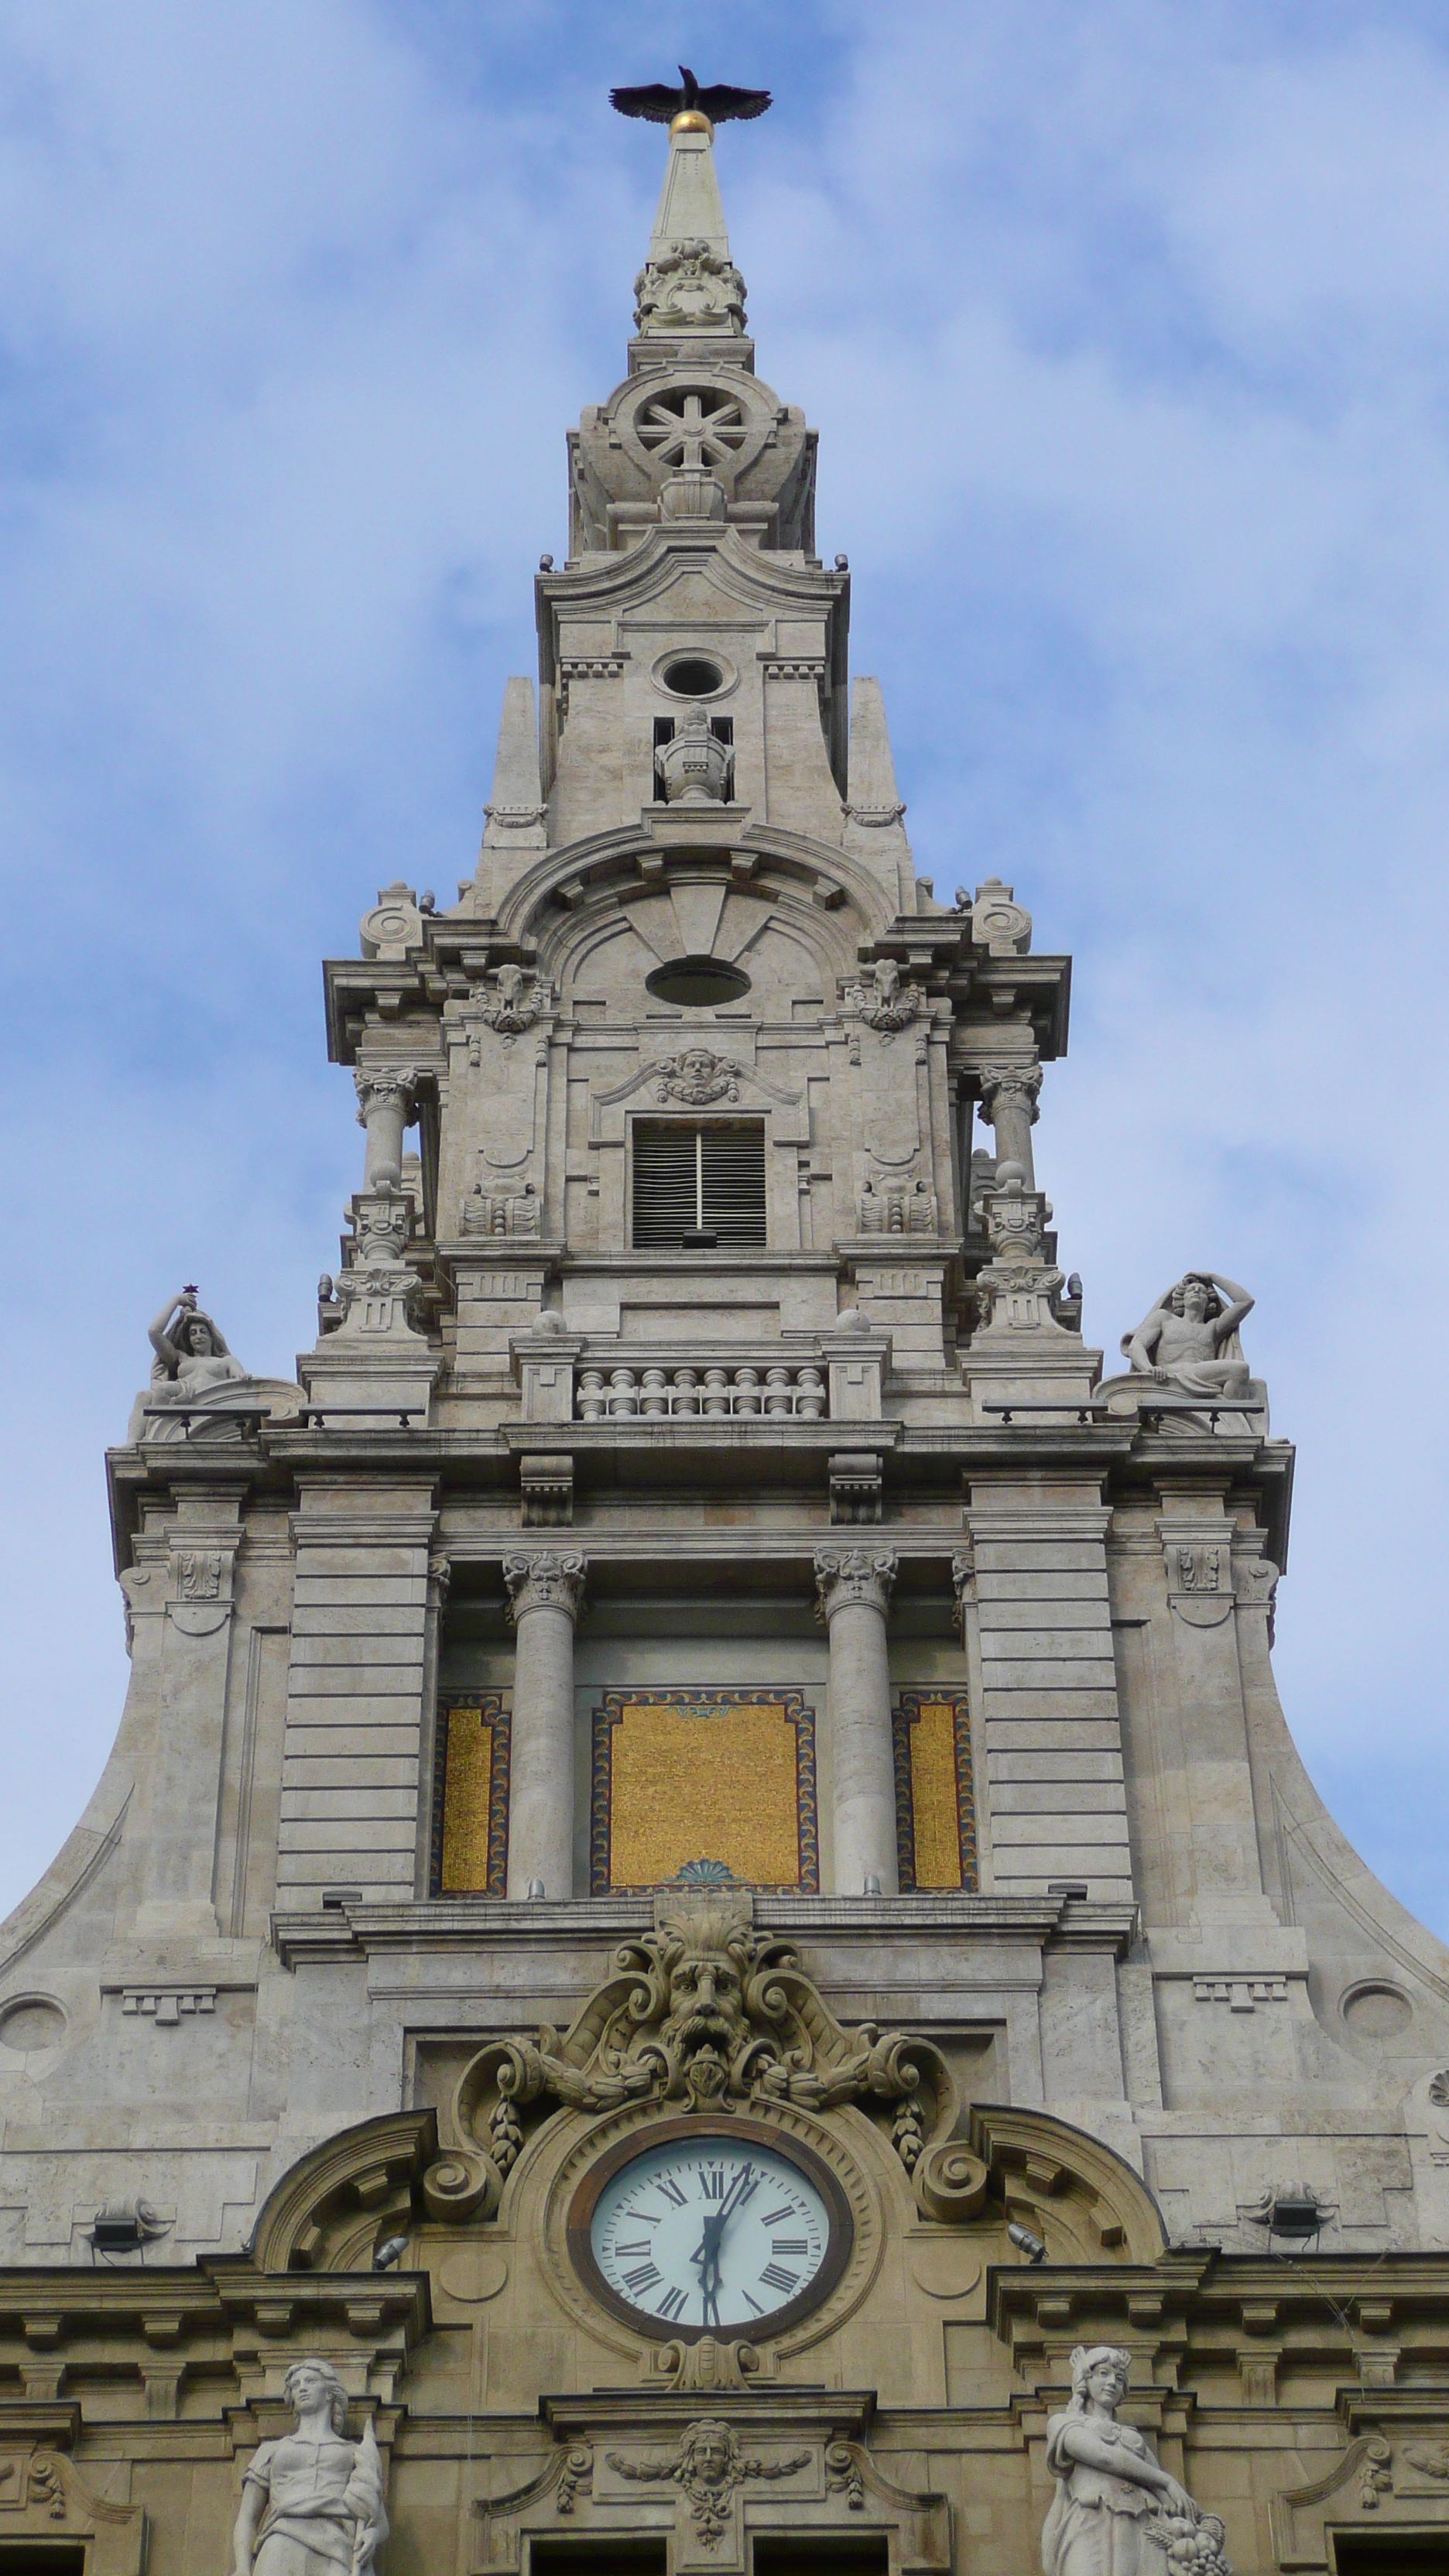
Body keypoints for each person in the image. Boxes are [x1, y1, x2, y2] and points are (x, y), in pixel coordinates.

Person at [1043, 2345, 1222, 2575]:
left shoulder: (1134, 2438)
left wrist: (1192, 2528)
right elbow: (1103, 2457)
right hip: (1090, 2522)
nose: (1112, 2383)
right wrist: (1166, 2481)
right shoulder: (1064, 2424)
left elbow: (1166, 2500)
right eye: (1103, 2373)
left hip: (1144, 2527)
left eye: (1119, 2378)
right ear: (1084, 2380)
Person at [231, 2357, 387, 2576]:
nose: (302, 2388)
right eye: (296, 2385)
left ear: (329, 2392)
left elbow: (378, 2518)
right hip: (281, 2541)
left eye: (310, 2381)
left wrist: (373, 2535)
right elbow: (248, 2517)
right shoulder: (271, 2450)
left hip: (336, 2546)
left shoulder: (354, 2453)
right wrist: (243, 2568)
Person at [131, 1288, 250, 1442]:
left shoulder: (226, 1361)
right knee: (143, 1396)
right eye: (193, 1333)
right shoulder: (182, 1358)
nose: (198, 1336)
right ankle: (135, 1442)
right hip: (184, 1392)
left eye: (202, 1332)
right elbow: (154, 1332)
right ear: (189, 1340)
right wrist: (176, 1300)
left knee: (161, 1389)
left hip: (211, 1398)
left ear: (211, 1336)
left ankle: (156, 1433)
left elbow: (239, 1376)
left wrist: (244, 1377)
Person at [1122, 1273, 1254, 1400]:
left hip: (1201, 1375)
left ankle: (1232, 1417)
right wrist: (1149, 1369)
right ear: (1182, 1298)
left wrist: (1212, 1277)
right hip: (1171, 1374)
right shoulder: (1164, 1318)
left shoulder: (1213, 1327)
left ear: (1208, 1301)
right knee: (1240, 1370)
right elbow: (1136, 1345)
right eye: (1191, 1290)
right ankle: (1230, 1414)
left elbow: (1245, 1301)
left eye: (1201, 1291)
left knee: (1257, 1386)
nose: (1196, 1292)